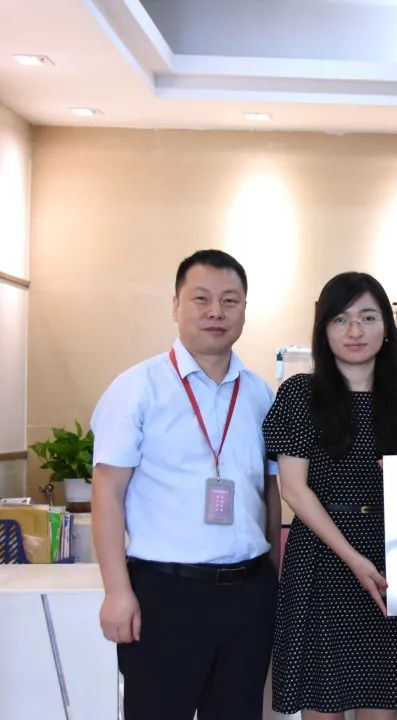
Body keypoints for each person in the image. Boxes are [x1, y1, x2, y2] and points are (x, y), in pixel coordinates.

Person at [91, 249, 280, 720]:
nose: (216, 311)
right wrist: (117, 591)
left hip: (249, 595)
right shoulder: (137, 388)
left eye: (230, 300)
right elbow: (107, 493)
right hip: (165, 595)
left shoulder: (260, 394)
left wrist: (274, 577)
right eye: (201, 298)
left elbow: (269, 492)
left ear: (244, 309)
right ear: (176, 305)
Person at [264, 271, 397, 720]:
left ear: (387, 329)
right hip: (322, 559)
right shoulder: (300, 394)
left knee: (380, 704)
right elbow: (293, 490)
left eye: (368, 317)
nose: (355, 330)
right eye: (341, 319)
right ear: (323, 331)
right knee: (323, 704)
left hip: (390, 560)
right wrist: (353, 558)